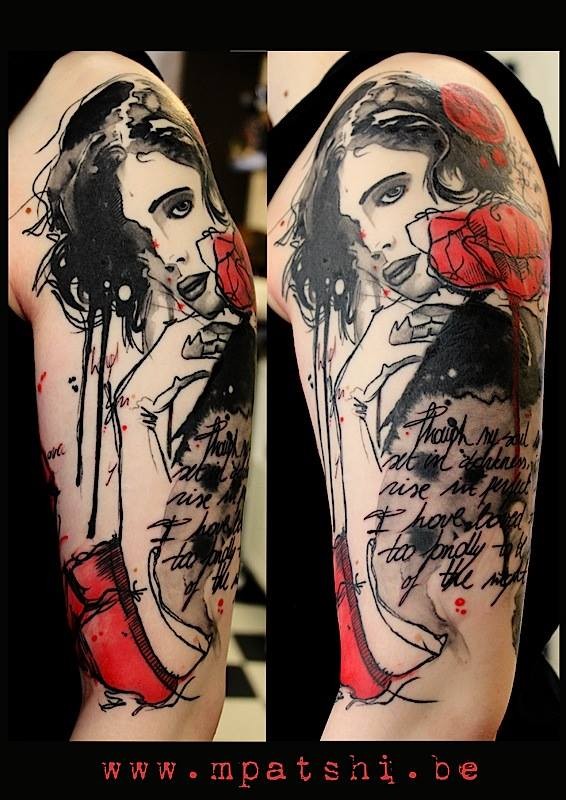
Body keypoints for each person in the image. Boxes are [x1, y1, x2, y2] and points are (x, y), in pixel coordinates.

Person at [268, 53, 553, 740]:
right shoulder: (387, 335)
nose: (376, 240)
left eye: (391, 193)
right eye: (354, 221)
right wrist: (357, 399)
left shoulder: (418, 87)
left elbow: (430, 698)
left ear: (453, 177)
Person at [9, 53, 255, 738]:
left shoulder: (80, 90)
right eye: (138, 234)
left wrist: (143, 416)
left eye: (179, 207)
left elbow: (167, 702)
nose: (173, 251)